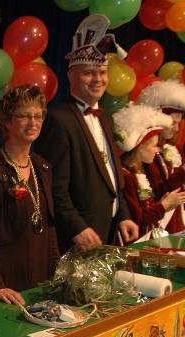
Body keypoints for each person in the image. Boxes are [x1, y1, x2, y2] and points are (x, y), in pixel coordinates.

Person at [35, 14, 138, 252]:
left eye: (102, 72)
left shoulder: (105, 118)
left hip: (108, 233)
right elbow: (53, 187)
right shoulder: (59, 120)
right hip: (77, 241)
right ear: (71, 75)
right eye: (89, 73)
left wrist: (123, 215)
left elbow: (111, 178)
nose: (98, 79)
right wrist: (77, 228)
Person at [0, 86, 59, 305]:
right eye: (24, 116)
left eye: (38, 116)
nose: (33, 123)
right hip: (9, 288)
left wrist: (57, 275)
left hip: (42, 282)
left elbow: (49, 228)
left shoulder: (43, 167)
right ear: (7, 122)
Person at [113, 104, 184, 241]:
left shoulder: (139, 170)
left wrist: (162, 203)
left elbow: (149, 204)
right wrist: (163, 205)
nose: (157, 150)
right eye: (154, 146)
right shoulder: (127, 176)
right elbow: (138, 220)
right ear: (140, 147)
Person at [137, 80, 185, 233]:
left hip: (176, 225)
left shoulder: (170, 149)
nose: (177, 129)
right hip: (158, 228)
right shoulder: (145, 155)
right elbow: (154, 193)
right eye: (173, 123)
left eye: (179, 123)